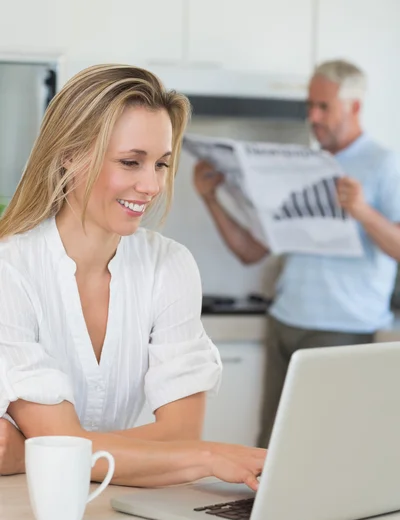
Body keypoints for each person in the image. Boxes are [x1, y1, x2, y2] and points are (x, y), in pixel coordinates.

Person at [0, 64, 266, 490]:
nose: (151, 185)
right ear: (70, 154)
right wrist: (206, 457)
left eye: (161, 164)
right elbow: (178, 449)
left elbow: (178, 435)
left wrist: (31, 454)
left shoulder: (169, 265)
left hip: (114, 506)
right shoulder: (9, 270)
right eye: (130, 162)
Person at [193, 59, 400, 448]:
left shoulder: (384, 164)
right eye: (310, 106)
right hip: (285, 322)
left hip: (342, 329)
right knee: (270, 446)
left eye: (323, 107)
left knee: (322, 448)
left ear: (354, 107)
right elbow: (251, 251)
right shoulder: (303, 162)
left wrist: (362, 212)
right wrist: (211, 199)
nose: (313, 117)